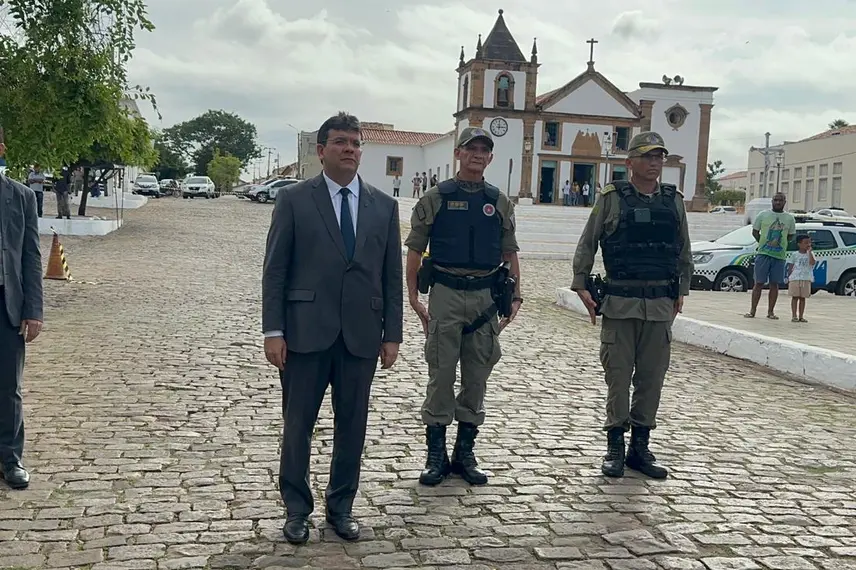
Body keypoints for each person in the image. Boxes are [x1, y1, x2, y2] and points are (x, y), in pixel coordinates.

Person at [261, 112, 403, 545]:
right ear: (321, 151)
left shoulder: (384, 206)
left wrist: (392, 334)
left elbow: (391, 275)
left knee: (352, 427)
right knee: (298, 425)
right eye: (340, 142)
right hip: (305, 333)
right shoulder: (294, 200)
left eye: (356, 143)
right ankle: (296, 509)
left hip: (361, 336)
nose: (349, 149)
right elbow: (275, 270)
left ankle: (341, 507)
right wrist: (273, 330)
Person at [404, 127, 522, 487]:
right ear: (458, 153)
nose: (477, 154)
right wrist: (413, 296)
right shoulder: (435, 198)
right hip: (446, 293)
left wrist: (516, 296)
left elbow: (510, 252)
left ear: (490, 157)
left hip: (485, 297)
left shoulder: (499, 202)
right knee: (441, 373)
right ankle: (435, 455)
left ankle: (464, 453)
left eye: (484, 150)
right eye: (471, 149)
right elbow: (414, 249)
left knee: (477, 376)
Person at [571, 131, 692, 480]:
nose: (655, 163)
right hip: (621, 303)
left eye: (659, 157)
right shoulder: (612, 198)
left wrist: (682, 289)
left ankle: (640, 447)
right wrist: (580, 283)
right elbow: (588, 241)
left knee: (652, 379)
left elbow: (683, 248)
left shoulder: (673, 201)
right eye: (648, 156)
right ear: (630, 162)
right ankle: (615, 446)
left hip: (659, 304)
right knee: (619, 378)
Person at [0, 142, 44, 490]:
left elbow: (31, 255)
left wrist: (33, 310)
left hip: (7, 303)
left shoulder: (22, 196)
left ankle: (10, 458)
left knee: (8, 387)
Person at [745, 192, 795, 320]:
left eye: (780, 200)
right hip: (763, 254)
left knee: (774, 284)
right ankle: (752, 310)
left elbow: (790, 235)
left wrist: (782, 243)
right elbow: (755, 231)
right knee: (759, 283)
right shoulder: (763, 215)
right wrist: (762, 243)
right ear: (772, 201)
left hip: (779, 256)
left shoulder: (789, 218)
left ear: (784, 202)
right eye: (775, 200)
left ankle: (771, 311)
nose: (778, 202)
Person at [787, 234, 815, 323]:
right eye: (806, 243)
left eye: (809, 242)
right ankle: (794, 315)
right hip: (795, 278)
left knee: (803, 298)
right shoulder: (794, 254)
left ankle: (801, 316)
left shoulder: (811, 254)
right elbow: (791, 266)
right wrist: (789, 277)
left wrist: (809, 253)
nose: (808, 244)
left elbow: (812, 263)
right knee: (795, 297)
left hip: (806, 278)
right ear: (799, 244)